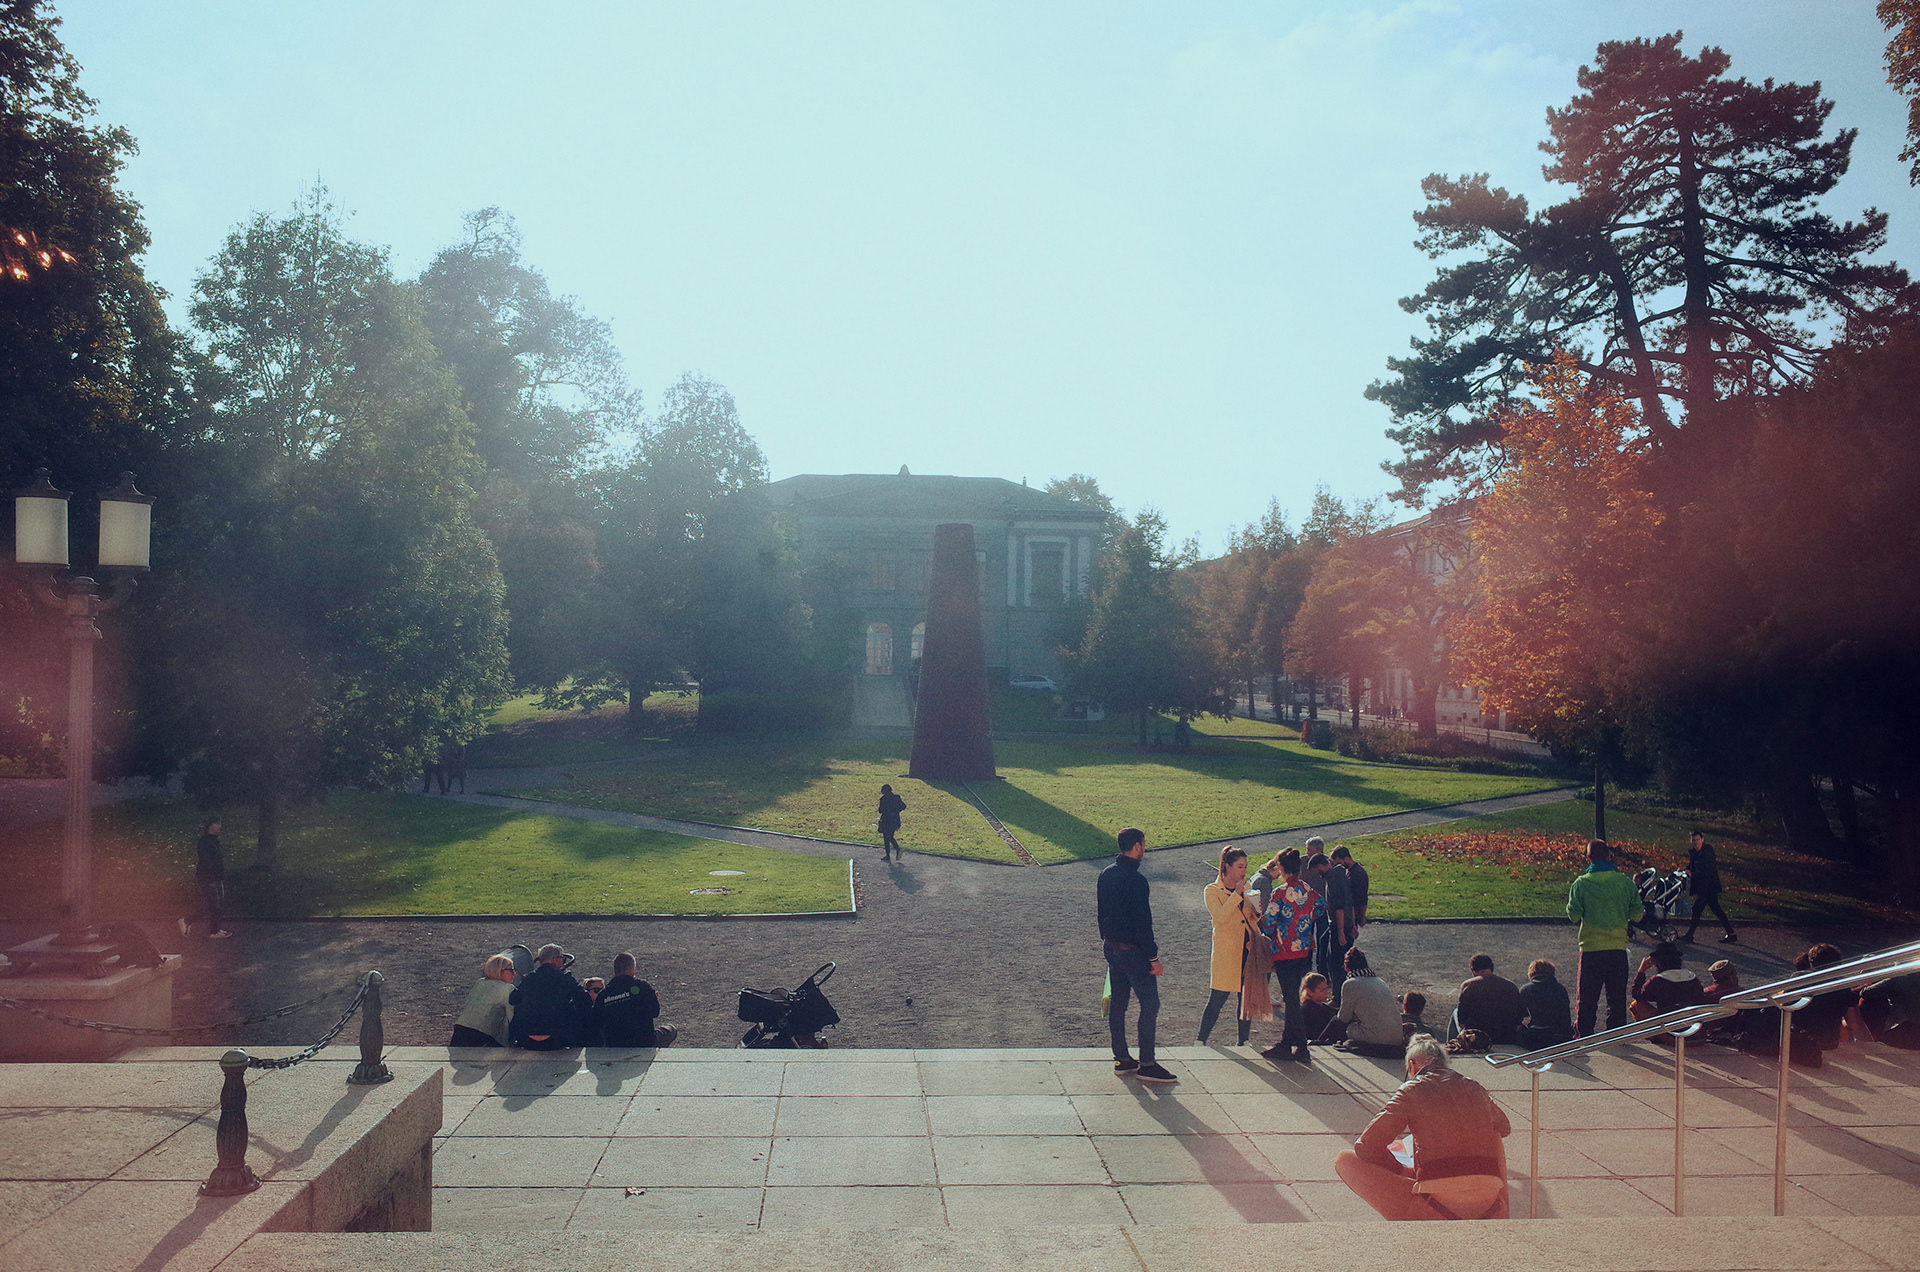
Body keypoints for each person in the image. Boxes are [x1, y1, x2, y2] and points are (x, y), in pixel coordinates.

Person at [1335, 1034, 1513, 1220]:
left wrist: (1400, 1169)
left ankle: (1419, 1214)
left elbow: (1366, 1146)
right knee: (1494, 1134)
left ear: (1412, 1065)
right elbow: (1504, 1127)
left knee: (1345, 1160)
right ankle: (1503, 1212)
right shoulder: (1474, 1087)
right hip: (1489, 1202)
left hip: (1438, 1206)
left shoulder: (1412, 1089)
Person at [1099, 827, 1176, 1083]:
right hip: (1133, 952)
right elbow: (1143, 923)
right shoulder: (1137, 881)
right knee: (1150, 1004)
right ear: (1136, 847)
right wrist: (1153, 958)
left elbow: (1101, 913)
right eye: (1143, 844)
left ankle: (1121, 1058)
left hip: (1112, 947)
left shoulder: (1106, 874)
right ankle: (1147, 1063)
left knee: (1118, 1004)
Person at [1566, 839, 1643, 1036]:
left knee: (1587, 999)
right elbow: (1637, 915)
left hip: (1591, 948)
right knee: (1616, 999)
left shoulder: (1581, 884)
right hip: (1617, 948)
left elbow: (1573, 915)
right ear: (1609, 856)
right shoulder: (1625, 883)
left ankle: (1584, 1038)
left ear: (1588, 858)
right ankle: (1615, 1037)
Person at [1258, 848, 1321, 1064]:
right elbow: (1320, 907)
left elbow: (1268, 924)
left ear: (1282, 868)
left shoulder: (1280, 893)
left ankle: (1300, 1047)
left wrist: (1259, 916)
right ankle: (1289, 1043)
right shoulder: (1307, 889)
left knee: (1291, 999)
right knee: (1293, 997)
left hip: (1285, 951)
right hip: (1304, 949)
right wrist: (1304, 919)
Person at [1199, 846, 1264, 1046]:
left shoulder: (1247, 887)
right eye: (1240, 866)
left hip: (1247, 950)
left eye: (1245, 866)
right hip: (1226, 953)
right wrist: (1236, 894)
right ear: (1227, 867)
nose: (1244, 871)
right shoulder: (1212, 890)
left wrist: (1257, 911)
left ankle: (1243, 1040)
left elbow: (1251, 919)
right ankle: (1200, 1040)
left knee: (1245, 999)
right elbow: (1220, 918)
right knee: (1217, 998)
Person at [508, 943, 593, 1050]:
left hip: (527, 1038)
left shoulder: (528, 979)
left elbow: (513, 999)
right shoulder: (565, 977)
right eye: (563, 959)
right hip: (557, 1037)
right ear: (555, 959)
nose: (564, 963)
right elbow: (585, 1001)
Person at [595, 951, 678, 1048]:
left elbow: (597, 1022)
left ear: (615, 970)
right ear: (631, 970)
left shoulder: (603, 995)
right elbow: (655, 1012)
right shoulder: (642, 987)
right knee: (671, 1030)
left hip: (615, 1044)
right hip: (644, 1043)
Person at [1335, 948, 1405, 1058]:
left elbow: (1344, 1017)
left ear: (1346, 966)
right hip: (1396, 1038)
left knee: (1341, 1024)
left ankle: (1321, 1042)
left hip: (1375, 1038)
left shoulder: (1350, 984)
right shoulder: (1380, 981)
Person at [1309, 850, 1354, 998]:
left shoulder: (1333, 880)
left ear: (1320, 866)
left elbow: (1339, 908)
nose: (1317, 874)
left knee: (1336, 963)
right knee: (1334, 956)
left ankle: (1338, 996)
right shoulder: (1342, 875)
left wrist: (1340, 932)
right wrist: (1353, 924)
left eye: (1316, 870)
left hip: (1339, 926)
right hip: (1347, 923)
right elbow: (1350, 902)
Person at [1452, 954, 1523, 1045]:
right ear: (1491, 967)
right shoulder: (1511, 986)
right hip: (1506, 1036)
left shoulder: (1468, 985)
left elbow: (1461, 1022)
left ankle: (1454, 1046)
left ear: (1473, 970)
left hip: (1477, 1037)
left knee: (1455, 1012)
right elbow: (1518, 1020)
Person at [1630, 941, 1708, 1023]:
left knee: (1636, 1005)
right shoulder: (1692, 977)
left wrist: (1641, 971)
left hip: (1668, 1023)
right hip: (1692, 1022)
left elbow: (1636, 993)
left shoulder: (1658, 981)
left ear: (1658, 962)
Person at [1682, 829, 1737, 943]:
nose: (1696, 842)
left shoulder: (1708, 852)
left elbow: (1707, 870)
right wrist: (1685, 869)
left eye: (1698, 840)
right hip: (1703, 887)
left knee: (1698, 909)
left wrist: (1692, 874)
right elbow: (1692, 865)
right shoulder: (1694, 852)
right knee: (1716, 909)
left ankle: (1690, 935)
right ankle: (1731, 933)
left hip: (1709, 886)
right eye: (1694, 840)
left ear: (1702, 840)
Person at [450, 954, 516, 1047]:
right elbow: (513, 1018)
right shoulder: (508, 989)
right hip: (482, 1035)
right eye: (511, 969)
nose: (514, 973)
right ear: (499, 971)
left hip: (460, 1029)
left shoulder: (479, 983)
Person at [1515, 959, 1574, 1051]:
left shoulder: (1526, 989)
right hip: (1561, 1037)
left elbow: (1518, 1016)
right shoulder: (1561, 989)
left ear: (1531, 973)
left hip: (1536, 1036)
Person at [192, 819, 233, 939]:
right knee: (213, 904)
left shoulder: (215, 840)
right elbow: (206, 861)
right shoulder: (205, 841)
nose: (220, 826)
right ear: (210, 826)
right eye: (217, 824)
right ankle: (189, 921)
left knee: (218, 904)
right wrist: (210, 879)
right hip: (208, 877)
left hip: (216, 876)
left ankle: (215, 929)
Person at [1332, 844, 1370, 928]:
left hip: (1354, 914)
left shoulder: (1358, 874)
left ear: (1346, 858)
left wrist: (1362, 916)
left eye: (1339, 862)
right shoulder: (1349, 871)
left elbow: (1362, 897)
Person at [1301, 972, 1345, 1045]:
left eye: (1326, 988)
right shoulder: (1309, 1009)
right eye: (1322, 990)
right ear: (1310, 992)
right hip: (1316, 1042)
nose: (1326, 992)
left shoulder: (1320, 1005)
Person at [876, 784, 907, 862]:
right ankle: (892, 852)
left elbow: (880, 810)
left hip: (886, 820)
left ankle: (893, 852)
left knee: (886, 837)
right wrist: (896, 810)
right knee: (890, 836)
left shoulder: (883, 799)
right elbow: (903, 806)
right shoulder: (896, 798)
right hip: (895, 819)